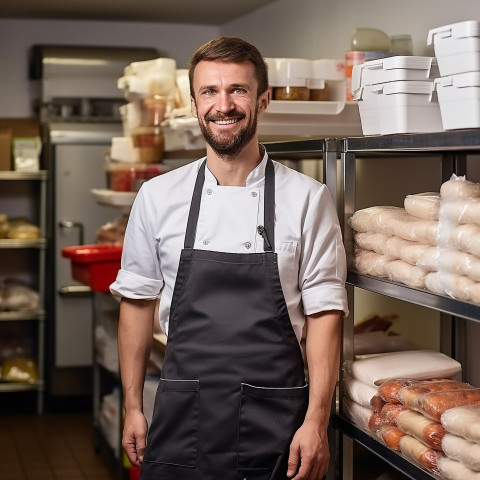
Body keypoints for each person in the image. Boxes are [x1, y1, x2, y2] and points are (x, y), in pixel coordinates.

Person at [110, 36, 348, 480]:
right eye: (210, 91)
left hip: (279, 426)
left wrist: (316, 421)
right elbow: (137, 305)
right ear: (196, 102)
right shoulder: (158, 197)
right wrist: (133, 406)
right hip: (182, 419)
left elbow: (325, 315)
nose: (224, 105)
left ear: (263, 99)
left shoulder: (308, 199)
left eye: (237, 90)